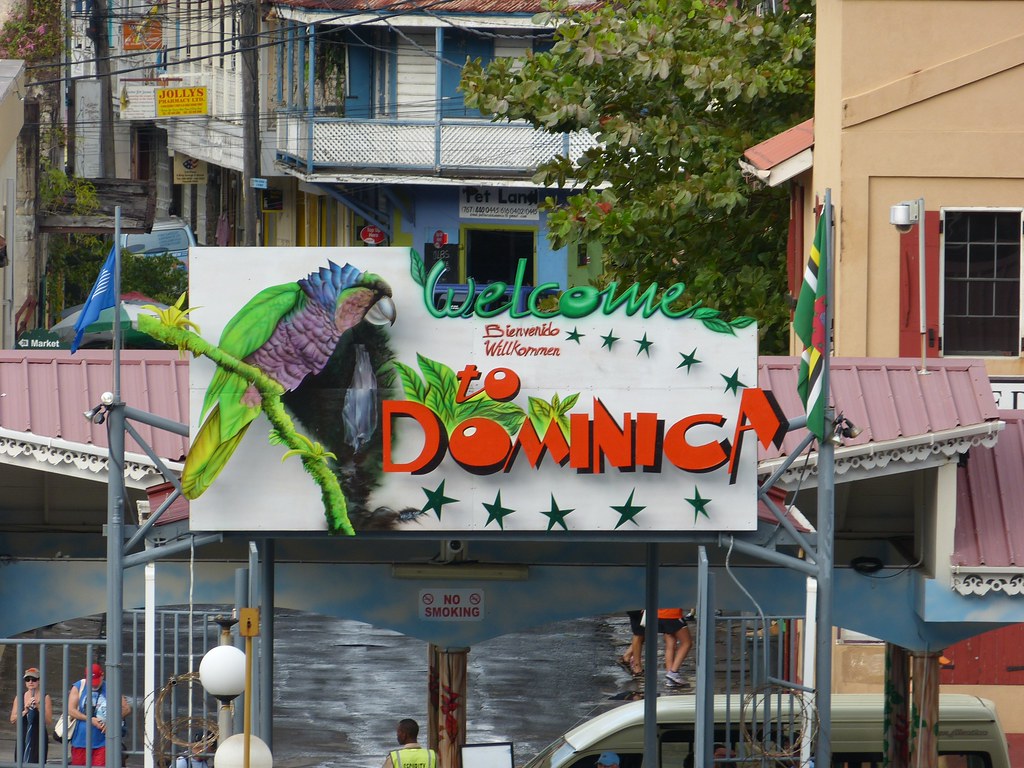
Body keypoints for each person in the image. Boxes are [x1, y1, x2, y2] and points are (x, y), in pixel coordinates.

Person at [67, 663, 131, 767]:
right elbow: (71, 710)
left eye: (96, 681)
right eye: (91, 682)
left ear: (102, 676)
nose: (94, 685)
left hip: (102, 741)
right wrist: (90, 719)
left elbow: (126, 709)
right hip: (80, 740)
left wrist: (111, 722)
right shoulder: (79, 686)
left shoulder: (110, 687)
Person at [9, 667, 52, 764]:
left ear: (39, 681)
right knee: (20, 761)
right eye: (27, 680)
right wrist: (25, 711)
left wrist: (38, 707)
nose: (31, 682)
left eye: (34, 679)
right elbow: (12, 719)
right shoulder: (19, 697)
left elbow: (49, 721)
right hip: (23, 734)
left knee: (36, 762)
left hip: (38, 737)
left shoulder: (45, 697)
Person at [658, 608, 693, 688]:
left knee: (670, 644)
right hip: (673, 615)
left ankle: (670, 678)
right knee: (687, 643)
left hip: (660, 615)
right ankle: (673, 672)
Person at [618, 611, 645, 676]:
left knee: (643, 632)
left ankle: (627, 657)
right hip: (638, 606)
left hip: (637, 605)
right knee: (639, 633)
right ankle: (637, 668)